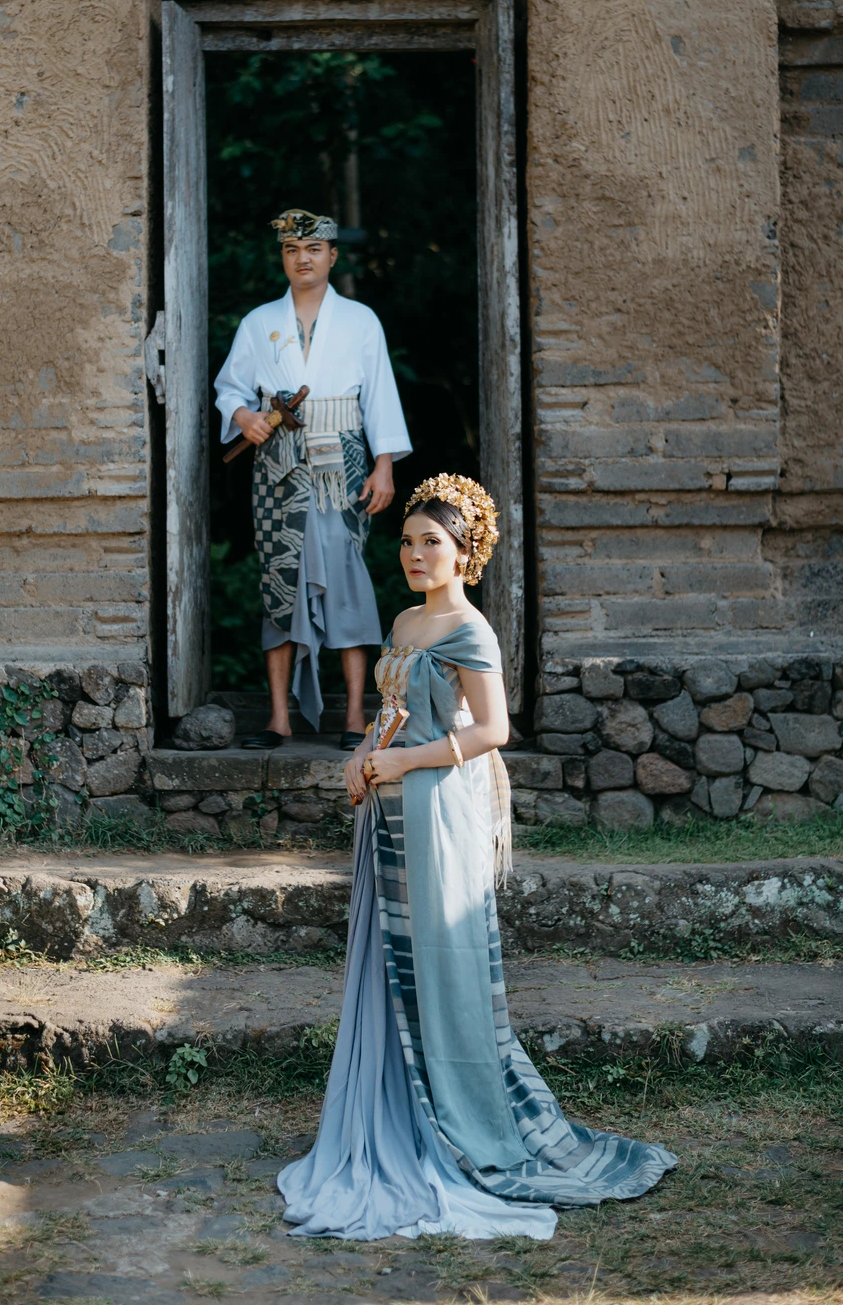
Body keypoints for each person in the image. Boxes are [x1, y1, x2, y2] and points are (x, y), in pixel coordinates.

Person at [278, 473, 676, 1241]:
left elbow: (492, 730)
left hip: (439, 809)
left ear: (464, 553)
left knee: (442, 963)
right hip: (387, 807)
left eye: (431, 542)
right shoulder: (403, 621)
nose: (414, 554)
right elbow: (393, 712)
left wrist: (402, 763)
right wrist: (361, 755)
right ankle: (392, 1109)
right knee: (390, 959)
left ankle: (462, 1118)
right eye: (406, 542)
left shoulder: (471, 630)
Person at [214, 208, 411, 748]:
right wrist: (245, 417)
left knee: (346, 576)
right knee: (280, 576)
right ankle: (279, 718)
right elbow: (229, 387)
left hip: (342, 464)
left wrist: (385, 464)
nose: (302, 258)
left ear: (332, 255)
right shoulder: (259, 322)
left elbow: (380, 395)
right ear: (283, 257)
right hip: (278, 466)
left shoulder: (361, 320)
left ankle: (353, 717)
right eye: (291, 250)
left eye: (313, 249)